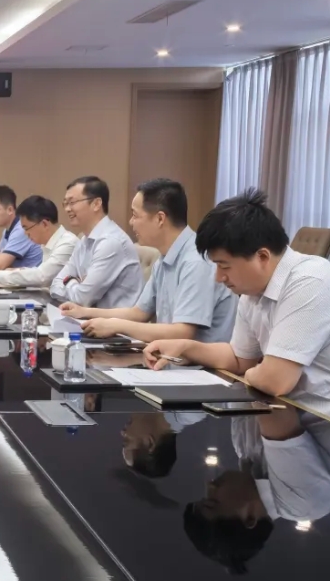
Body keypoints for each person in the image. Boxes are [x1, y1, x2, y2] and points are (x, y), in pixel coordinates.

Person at [144, 189, 330, 417]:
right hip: (286, 412)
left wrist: (253, 373)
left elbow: (275, 381)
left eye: (224, 266)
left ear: (262, 257)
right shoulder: (252, 289)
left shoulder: (310, 281)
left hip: (319, 418)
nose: (218, 277)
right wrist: (186, 348)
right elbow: (240, 359)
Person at [61, 179, 236, 343]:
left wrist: (115, 326)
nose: (131, 222)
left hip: (199, 364)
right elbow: (139, 313)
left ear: (160, 219)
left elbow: (182, 332)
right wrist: (85, 312)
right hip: (170, 357)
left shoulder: (196, 261)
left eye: (135, 215)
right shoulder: (164, 258)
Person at [183, 408, 330, 574]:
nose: (210, 485)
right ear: (250, 519)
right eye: (212, 502)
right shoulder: (298, 502)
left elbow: (238, 393)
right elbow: (272, 404)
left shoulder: (242, 448)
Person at [50, 176, 143, 308]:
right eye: (65, 203)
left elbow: (83, 299)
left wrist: (70, 281)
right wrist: (76, 284)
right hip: (85, 317)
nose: (67, 209)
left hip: (113, 320)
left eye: (72, 202)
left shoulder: (111, 242)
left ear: (96, 204)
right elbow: (55, 286)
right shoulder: (84, 240)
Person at [0, 195, 77, 288]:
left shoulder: (67, 243)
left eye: (26, 228)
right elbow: (40, 271)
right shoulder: (47, 243)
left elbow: (42, 277)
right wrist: (18, 271)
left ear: (44, 224)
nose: (25, 233)